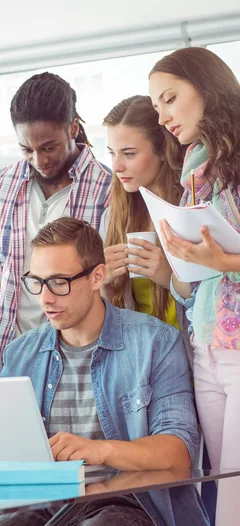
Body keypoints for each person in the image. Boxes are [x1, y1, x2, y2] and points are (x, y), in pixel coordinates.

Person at [0, 217, 215, 526]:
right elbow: (10, 450)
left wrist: (100, 449)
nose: (45, 298)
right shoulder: (23, 350)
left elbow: (178, 454)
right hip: (47, 507)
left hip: (135, 509)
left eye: (59, 283)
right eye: (37, 282)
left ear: (97, 276)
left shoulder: (155, 343)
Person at [149, 46, 240, 526]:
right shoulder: (194, 169)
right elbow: (196, 284)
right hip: (206, 345)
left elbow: (223, 264)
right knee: (222, 520)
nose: (162, 115)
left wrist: (222, 261)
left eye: (170, 98)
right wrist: (175, 262)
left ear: (207, 88)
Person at [0, 72, 112, 353]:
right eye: (26, 149)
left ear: (73, 128)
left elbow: (108, 284)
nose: (39, 160)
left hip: (81, 349)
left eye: (48, 147)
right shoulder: (2, 184)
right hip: (13, 347)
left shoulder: (108, 188)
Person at [99, 95, 193, 358]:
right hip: (141, 362)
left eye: (129, 154)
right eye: (112, 153)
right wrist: (104, 283)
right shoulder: (114, 216)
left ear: (163, 151)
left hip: (191, 362)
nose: (116, 166)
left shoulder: (190, 211)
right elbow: (111, 315)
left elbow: (219, 302)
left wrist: (169, 278)